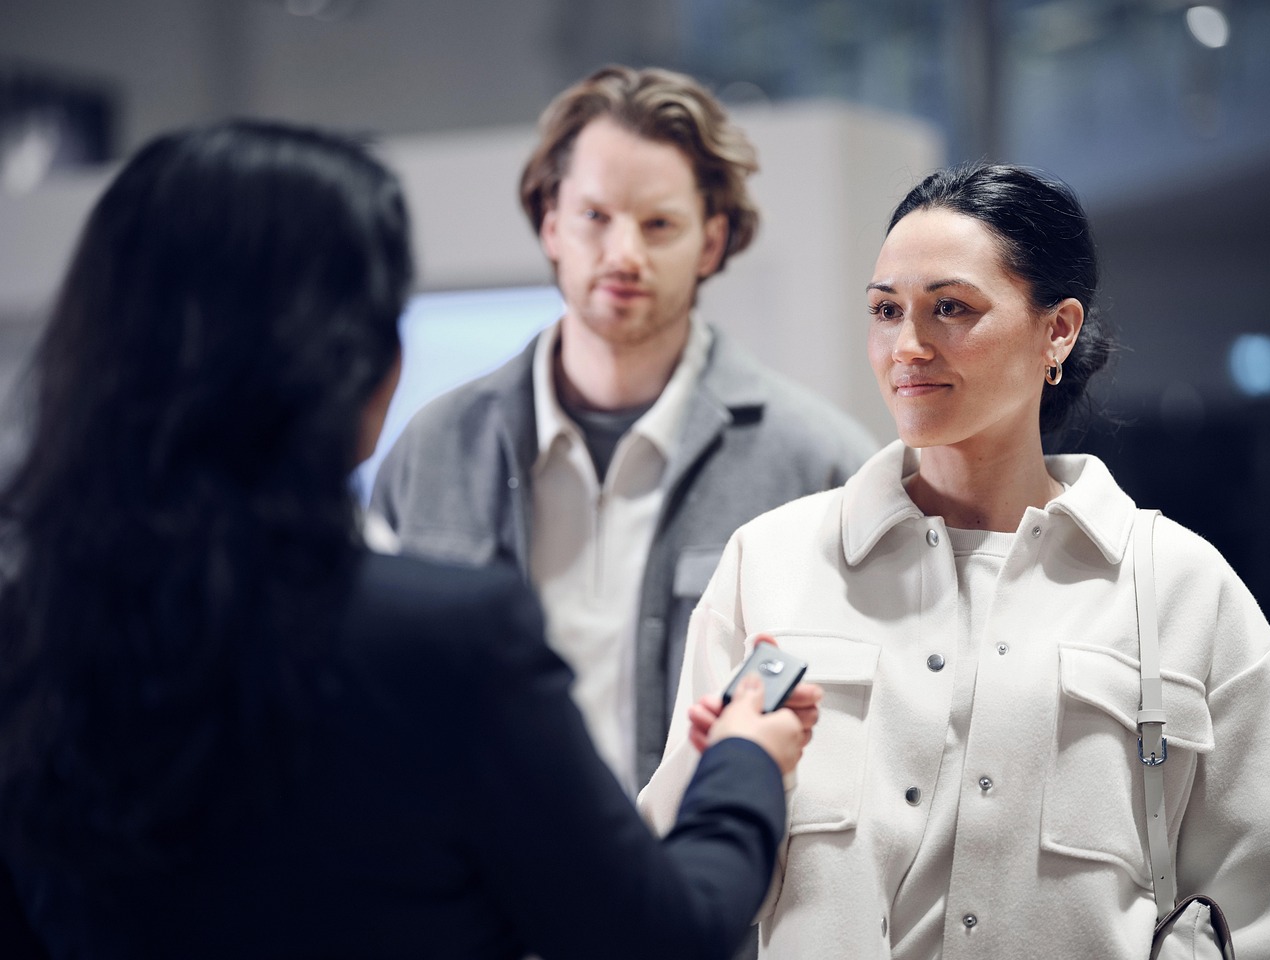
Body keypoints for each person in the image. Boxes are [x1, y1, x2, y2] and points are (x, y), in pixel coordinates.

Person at [0, 119, 819, 960]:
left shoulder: (30, 632)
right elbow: (656, 933)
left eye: (659, 223)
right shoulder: (445, 632)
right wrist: (744, 759)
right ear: (354, 362)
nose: (624, 254)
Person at [639, 162, 1270, 958]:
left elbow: (1258, 906)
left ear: (1059, 329)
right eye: (884, 310)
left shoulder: (1183, 590)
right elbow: (676, 876)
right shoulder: (770, 566)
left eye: (951, 308)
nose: (907, 346)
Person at [370, 64, 877, 795]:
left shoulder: (818, 463)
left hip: (704, 893)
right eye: (595, 217)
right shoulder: (435, 447)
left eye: (659, 224)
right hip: (471, 895)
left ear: (712, 241)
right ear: (551, 223)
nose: (623, 255)